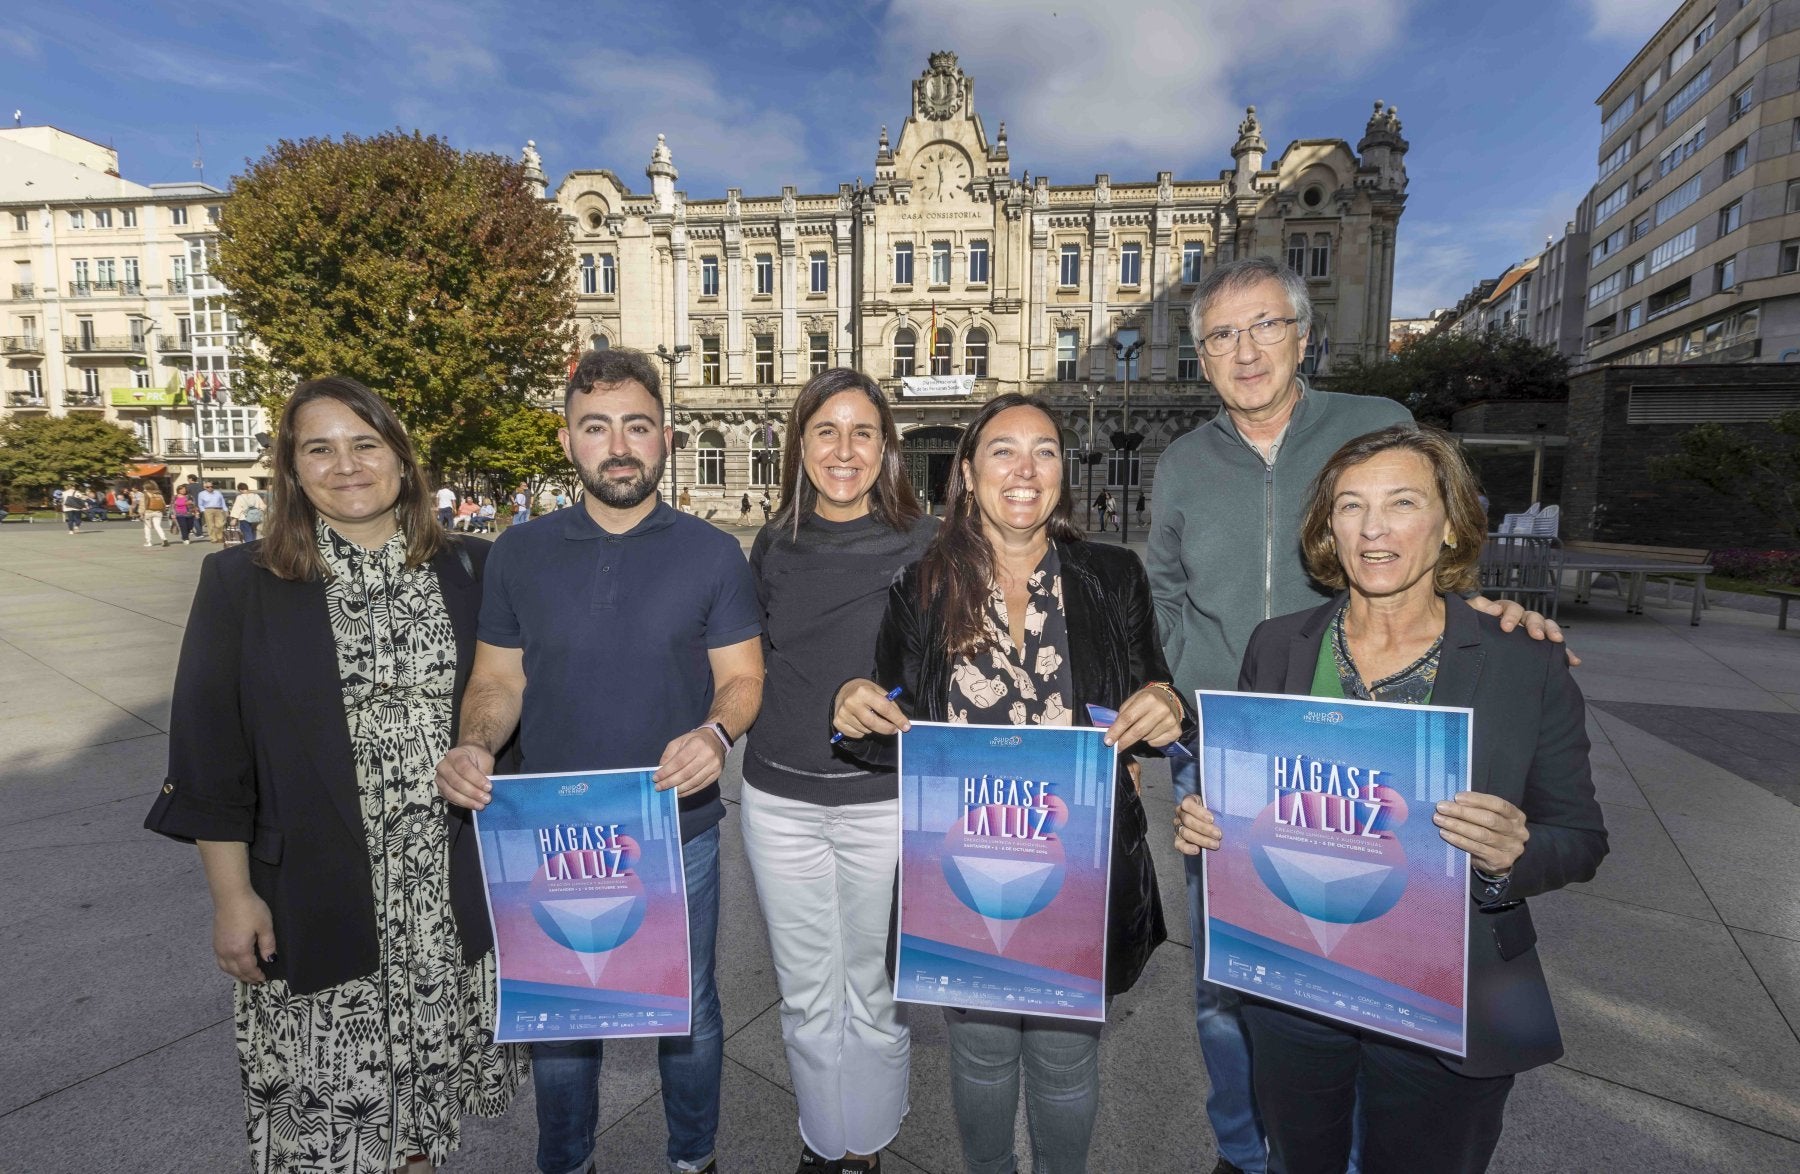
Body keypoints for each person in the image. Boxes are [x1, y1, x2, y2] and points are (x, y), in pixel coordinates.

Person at [1147, 257, 1566, 1174]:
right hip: (1232, 751)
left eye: (1263, 326)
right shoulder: (1180, 461)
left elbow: (1440, 534)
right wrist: (1200, 689)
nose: (1244, 349)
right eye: (1220, 335)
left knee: (1383, 955)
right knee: (1232, 978)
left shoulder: (1373, 425)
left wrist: (1496, 614)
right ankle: (1248, 1151)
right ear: (1202, 358)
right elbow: (1162, 591)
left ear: (1304, 335)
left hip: (1378, 740)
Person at [144, 376, 526, 1174]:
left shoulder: (477, 570)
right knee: (330, 1122)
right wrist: (232, 897)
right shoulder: (239, 583)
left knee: (423, 1121)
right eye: (319, 448)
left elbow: (526, 701)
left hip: (444, 890)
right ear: (291, 467)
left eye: (365, 444)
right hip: (315, 893)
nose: (345, 465)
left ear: (402, 460)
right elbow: (211, 755)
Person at [833, 393, 1185, 1174]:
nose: (1025, 470)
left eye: (1045, 451)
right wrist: (853, 709)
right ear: (967, 473)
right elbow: (888, 717)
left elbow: (1153, 695)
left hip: (1081, 869)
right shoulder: (921, 584)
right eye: (1002, 451)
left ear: (1063, 470)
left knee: (1066, 1060)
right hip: (966, 869)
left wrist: (1165, 704)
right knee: (983, 1052)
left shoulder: (1111, 575)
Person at [434, 347, 763, 1174]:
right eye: (597, 427)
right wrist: (476, 740)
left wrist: (716, 735)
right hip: (551, 829)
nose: (619, 445)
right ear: (567, 439)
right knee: (562, 1014)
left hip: (672, 825)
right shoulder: (518, 552)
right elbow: (497, 679)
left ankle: (693, 1159)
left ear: (667, 438)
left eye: (637, 426)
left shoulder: (713, 553)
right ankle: (566, 1161)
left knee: (685, 1008)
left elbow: (744, 679)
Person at [742, 369, 934, 1174]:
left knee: (877, 992)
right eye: (826, 431)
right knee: (806, 995)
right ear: (800, 445)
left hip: (883, 801)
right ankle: (827, 1145)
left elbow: (949, 671)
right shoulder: (772, 545)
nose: (844, 449)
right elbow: (752, 661)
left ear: (887, 448)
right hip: (778, 799)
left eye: (863, 432)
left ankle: (871, 1143)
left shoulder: (927, 543)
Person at [138, 479, 169, 547]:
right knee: (158, 526)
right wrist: (163, 511)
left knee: (147, 527)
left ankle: (148, 542)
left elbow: (142, 505)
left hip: (148, 512)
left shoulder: (145, 494)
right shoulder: (158, 494)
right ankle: (164, 538)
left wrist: (141, 513)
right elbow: (163, 503)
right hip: (158, 512)